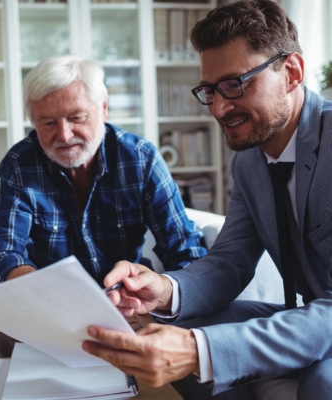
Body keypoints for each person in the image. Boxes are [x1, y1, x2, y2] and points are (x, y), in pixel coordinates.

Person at [81, 1, 332, 399]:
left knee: (324, 381)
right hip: (306, 316)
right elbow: (230, 261)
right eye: (209, 90)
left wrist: (204, 352)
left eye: (235, 84)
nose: (219, 107)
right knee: (173, 333)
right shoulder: (250, 160)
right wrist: (163, 289)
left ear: (292, 73)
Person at [0, 55, 207, 357]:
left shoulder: (141, 159)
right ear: (33, 122)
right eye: (47, 122)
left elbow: (186, 250)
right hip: (46, 306)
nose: (64, 134)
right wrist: (35, 286)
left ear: (103, 109)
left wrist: (156, 294)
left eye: (76, 118)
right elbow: (4, 252)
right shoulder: (20, 164)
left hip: (124, 303)